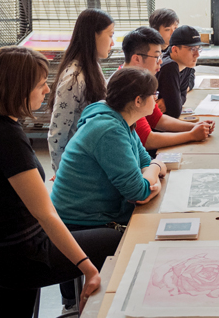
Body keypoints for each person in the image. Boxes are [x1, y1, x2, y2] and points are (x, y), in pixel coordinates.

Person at [0, 46, 107, 317]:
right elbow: (45, 214)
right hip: (21, 253)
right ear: (18, 88)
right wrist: (88, 269)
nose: (47, 91)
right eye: (42, 84)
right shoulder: (7, 137)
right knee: (117, 240)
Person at [50, 67, 168, 306]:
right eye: (153, 94)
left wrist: (150, 169)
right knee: (149, 242)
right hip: (81, 223)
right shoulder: (110, 129)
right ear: (138, 100)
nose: (156, 100)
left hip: (95, 213)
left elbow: (143, 161)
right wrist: (157, 167)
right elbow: (140, 190)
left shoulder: (119, 118)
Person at [120, 27, 213, 150]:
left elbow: (158, 120)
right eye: (156, 57)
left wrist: (195, 126)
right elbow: (147, 140)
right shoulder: (125, 86)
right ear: (136, 59)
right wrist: (191, 135)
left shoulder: (139, 80)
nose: (161, 62)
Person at [47, 8, 115, 172]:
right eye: (110, 35)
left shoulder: (92, 67)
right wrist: (61, 174)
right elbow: (58, 133)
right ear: (93, 35)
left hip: (94, 157)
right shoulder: (74, 78)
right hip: (79, 165)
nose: (112, 43)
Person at [156, 25, 203, 120]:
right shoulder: (169, 67)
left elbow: (182, 96)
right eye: (192, 49)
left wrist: (174, 100)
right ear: (175, 50)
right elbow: (175, 111)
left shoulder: (186, 65)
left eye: (198, 48)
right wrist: (176, 100)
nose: (197, 54)